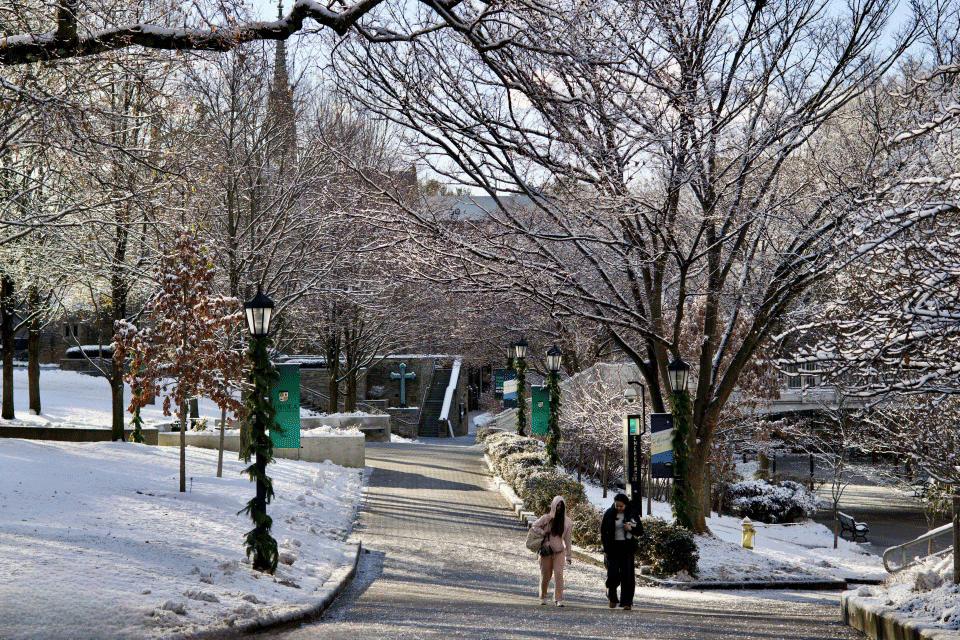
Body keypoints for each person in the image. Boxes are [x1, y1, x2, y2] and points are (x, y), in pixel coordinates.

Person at [600, 493, 642, 610]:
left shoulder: (632, 513)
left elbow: (640, 531)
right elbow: (603, 531)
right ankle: (612, 597)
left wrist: (631, 529)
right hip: (612, 548)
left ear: (625, 505)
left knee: (627, 576)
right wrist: (606, 546)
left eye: (621, 506)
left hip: (627, 548)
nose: (618, 508)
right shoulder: (609, 513)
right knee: (613, 574)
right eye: (616, 505)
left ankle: (627, 602)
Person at [531, 495, 573, 606]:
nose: (559, 508)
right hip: (546, 550)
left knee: (559, 574)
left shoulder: (567, 521)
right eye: (557, 505)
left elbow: (568, 539)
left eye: (561, 506)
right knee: (546, 575)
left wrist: (569, 555)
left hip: (559, 551)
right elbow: (535, 526)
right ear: (553, 506)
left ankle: (558, 599)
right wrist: (543, 532)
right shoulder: (547, 518)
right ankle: (543, 596)